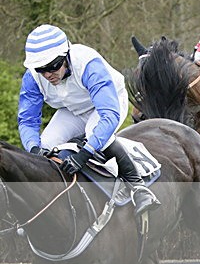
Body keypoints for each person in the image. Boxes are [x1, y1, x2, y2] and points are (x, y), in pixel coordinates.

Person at [17, 24, 159, 215]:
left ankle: (139, 187)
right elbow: (27, 120)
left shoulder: (87, 63)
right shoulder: (33, 78)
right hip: (73, 110)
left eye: (52, 66)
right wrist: (34, 147)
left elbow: (108, 116)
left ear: (66, 55)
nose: (47, 74)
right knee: (45, 145)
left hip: (109, 103)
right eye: (41, 69)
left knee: (96, 134)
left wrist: (83, 154)